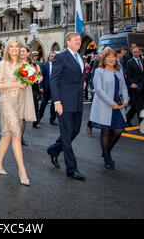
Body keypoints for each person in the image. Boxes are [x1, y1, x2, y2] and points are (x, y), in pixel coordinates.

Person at [48, 32, 87, 181]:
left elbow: (81, 75)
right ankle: (72, 169)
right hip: (64, 102)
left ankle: (54, 149)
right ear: (68, 42)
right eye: (76, 40)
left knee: (75, 130)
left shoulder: (80, 57)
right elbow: (54, 80)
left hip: (77, 101)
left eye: (79, 40)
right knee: (66, 134)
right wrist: (57, 102)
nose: (79, 42)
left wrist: (82, 82)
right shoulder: (60, 57)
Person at [0, 39, 30, 186]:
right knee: (16, 134)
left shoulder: (24, 65)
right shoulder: (3, 64)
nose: (14, 49)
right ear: (8, 49)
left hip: (19, 103)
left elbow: (27, 82)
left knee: (7, 134)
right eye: (12, 47)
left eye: (17, 46)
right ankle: (22, 171)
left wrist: (35, 79)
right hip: (7, 102)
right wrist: (14, 84)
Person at [90, 48, 128, 169]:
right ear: (104, 59)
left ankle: (106, 150)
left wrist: (126, 100)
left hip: (118, 105)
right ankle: (107, 157)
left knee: (118, 130)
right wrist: (111, 103)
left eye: (113, 57)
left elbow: (124, 87)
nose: (112, 59)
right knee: (105, 131)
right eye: (109, 57)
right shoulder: (99, 71)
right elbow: (99, 91)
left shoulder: (118, 70)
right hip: (105, 105)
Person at [19, 45, 37, 146]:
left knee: (24, 115)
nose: (21, 53)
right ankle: (15, 136)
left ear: (28, 53)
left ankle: (21, 136)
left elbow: (34, 79)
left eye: (23, 51)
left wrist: (36, 79)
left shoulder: (31, 65)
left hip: (27, 90)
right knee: (17, 115)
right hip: (17, 90)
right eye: (20, 51)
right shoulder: (15, 63)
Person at [125, 46, 144, 126]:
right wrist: (131, 83)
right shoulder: (129, 62)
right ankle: (142, 123)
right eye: (134, 52)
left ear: (139, 52)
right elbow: (127, 75)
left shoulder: (141, 60)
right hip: (135, 87)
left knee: (135, 105)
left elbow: (142, 73)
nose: (136, 53)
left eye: (137, 52)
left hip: (142, 86)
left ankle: (127, 119)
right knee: (139, 106)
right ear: (132, 53)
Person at [39, 52, 57, 126]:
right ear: (49, 57)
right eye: (52, 56)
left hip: (55, 89)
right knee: (43, 103)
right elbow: (41, 76)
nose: (53, 57)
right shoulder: (44, 66)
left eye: (54, 56)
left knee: (54, 104)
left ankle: (52, 119)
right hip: (46, 88)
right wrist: (41, 86)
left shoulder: (58, 66)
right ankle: (39, 118)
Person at [31, 51, 42, 128]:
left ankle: (36, 122)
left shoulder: (37, 65)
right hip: (29, 87)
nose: (35, 57)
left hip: (35, 88)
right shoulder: (29, 65)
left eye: (36, 56)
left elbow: (39, 76)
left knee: (36, 106)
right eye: (33, 56)